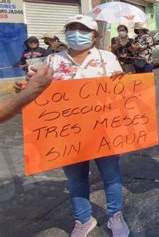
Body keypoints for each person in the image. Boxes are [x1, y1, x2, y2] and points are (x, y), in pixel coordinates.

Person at [44, 14, 129, 237]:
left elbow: (121, 93)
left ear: (94, 35)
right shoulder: (53, 61)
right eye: (72, 28)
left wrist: (123, 86)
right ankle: (83, 219)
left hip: (104, 129)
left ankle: (115, 216)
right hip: (67, 132)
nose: (77, 33)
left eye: (83, 29)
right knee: (76, 178)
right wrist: (25, 88)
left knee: (111, 175)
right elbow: (39, 93)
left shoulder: (107, 58)